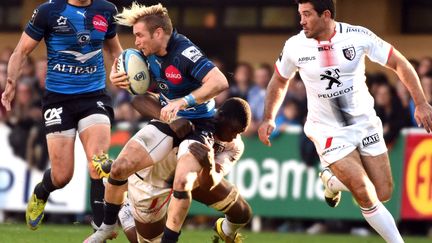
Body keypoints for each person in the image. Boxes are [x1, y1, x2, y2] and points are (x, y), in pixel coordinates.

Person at [257, 0, 432, 242]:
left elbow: (399, 63)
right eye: (300, 14)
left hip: (365, 123)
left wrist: (421, 103)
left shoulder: (357, 36)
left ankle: (331, 182)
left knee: (383, 192)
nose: (301, 21)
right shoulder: (294, 46)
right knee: (363, 190)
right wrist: (268, 117)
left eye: (307, 15)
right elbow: (279, 80)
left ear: (326, 15)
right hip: (327, 130)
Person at [87, 2, 229, 243]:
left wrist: (183, 102)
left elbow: (220, 82)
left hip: (199, 125)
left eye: (140, 35)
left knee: (182, 181)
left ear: (159, 33)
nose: (137, 42)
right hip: (169, 119)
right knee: (120, 166)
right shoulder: (146, 54)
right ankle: (106, 227)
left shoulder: (185, 52)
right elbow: (136, 89)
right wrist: (116, 76)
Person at [1, 0, 123, 230]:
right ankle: (41, 192)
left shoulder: (106, 10)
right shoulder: (49, 11)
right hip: (59, 99)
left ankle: (101, 227)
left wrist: (124, 68)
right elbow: (21, 50)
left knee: (98, 160)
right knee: (62, 175)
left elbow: (115, 49)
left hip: (93, 96)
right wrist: (11, 83)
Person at [87, 96, 252, 243]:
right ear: (220, 115)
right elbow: (139, 100)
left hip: (191, 179)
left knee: (242, 213)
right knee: (148, 240)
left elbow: (210, 183)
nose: (234, 136)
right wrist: (170, 118)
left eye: (239, 133)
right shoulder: (195, 110)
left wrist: (208, 166)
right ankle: (125, 208)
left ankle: (225, 232)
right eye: (232, 130)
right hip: (152, 178)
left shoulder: (235, 145)